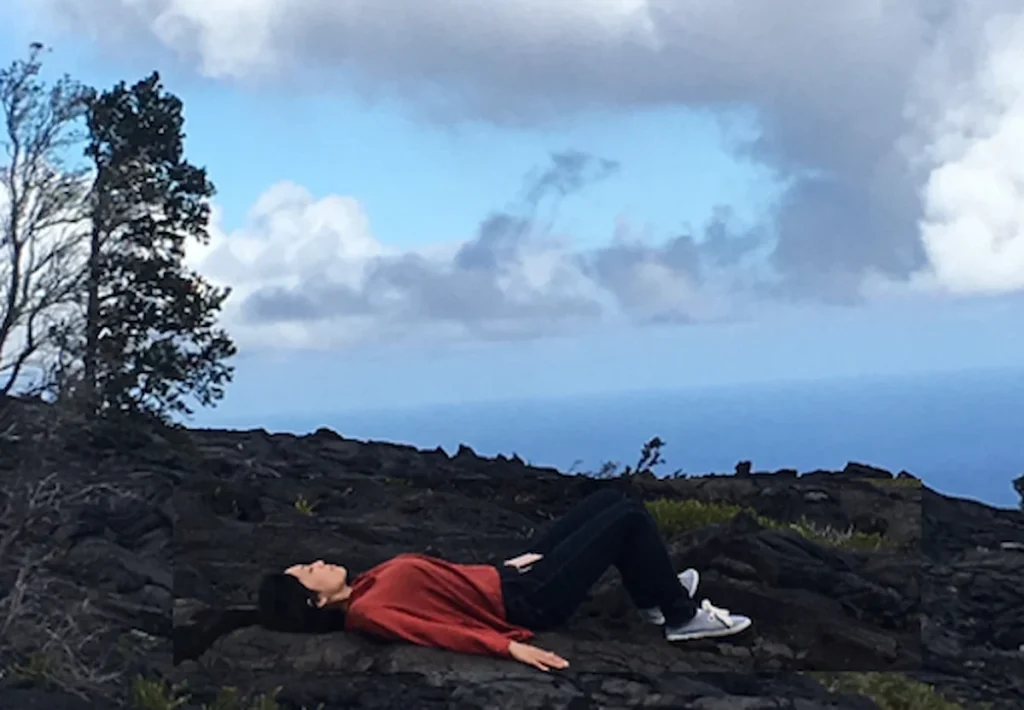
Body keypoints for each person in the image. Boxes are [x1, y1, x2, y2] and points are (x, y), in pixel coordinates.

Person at [257, 488, 752, 672]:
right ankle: (682, 618)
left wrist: (507, 566)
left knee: (613, 500)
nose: (317, 562)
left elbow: (447, 586)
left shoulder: (366, 585)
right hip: (528, 602)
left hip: (510, 579)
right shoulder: (368, 611)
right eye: (309, 573)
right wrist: (509, 648)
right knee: (628, 522)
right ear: (315, 602)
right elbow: (437, 632)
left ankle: (654, 597)